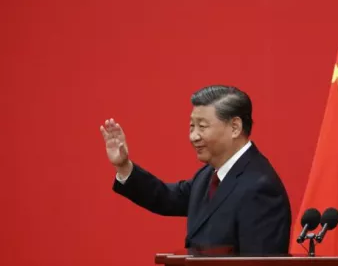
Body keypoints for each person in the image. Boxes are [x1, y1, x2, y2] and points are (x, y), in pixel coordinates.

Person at [100, 85, 292, 255]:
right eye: (192, 126)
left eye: (202, 126)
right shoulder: (209, 174)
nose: (194, 136)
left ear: (235, 127)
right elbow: (167, 197)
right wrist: (124, 166)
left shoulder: (260, 188)